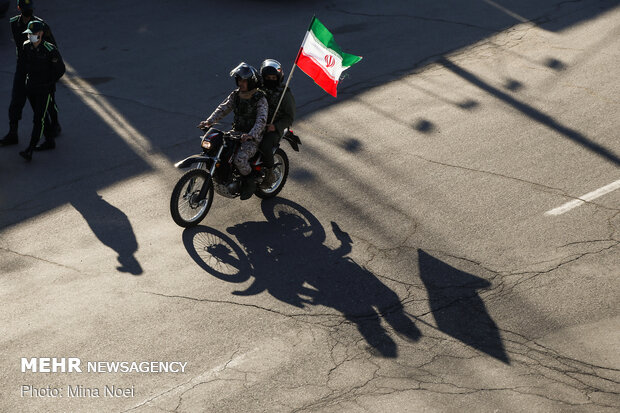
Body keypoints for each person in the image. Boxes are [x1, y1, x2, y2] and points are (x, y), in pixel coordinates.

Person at [198, 62, 268, 200]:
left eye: (244, 81)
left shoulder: (260, 99)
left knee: (239, 159)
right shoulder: (236, 95)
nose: (240, 83)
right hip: (236, 133)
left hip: (253, 137)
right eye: (239, 80)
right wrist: (209, 121)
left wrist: (251, 135)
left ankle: (250, 182)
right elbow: (223, 108)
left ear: (251, 82)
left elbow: (261, 120)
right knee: (219, 151)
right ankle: (225, 178)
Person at [14, 20, 65, 161]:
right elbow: (23, 65)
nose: (31, 36)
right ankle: (49, 141)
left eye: (34, 34)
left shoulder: (50, 50)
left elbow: (60, 70)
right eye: (29, 34)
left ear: (41, 34)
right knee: (41, 116)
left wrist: (49, 83)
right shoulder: (26, 47)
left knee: (38, 119)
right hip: (30, 88)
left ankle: (30, 149)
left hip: (44, 90)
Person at [258, 59, 295, 188]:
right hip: (257, 124)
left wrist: (275, 126)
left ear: (278, 77)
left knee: (265, 145)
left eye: (273, 77)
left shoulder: (284, 94)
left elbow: (289, 117)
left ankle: (269, 175)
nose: (271, 79)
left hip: (273, 128)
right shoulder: (259, 90)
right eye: (268, 77)